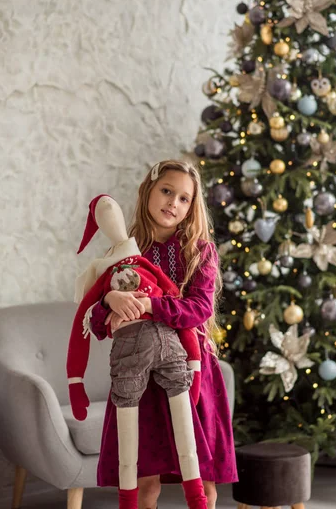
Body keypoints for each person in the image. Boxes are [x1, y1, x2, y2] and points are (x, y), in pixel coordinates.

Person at [89, 160, 238, 509]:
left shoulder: (200, 251)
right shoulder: (124, 251)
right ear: (148, 191)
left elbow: (198, 308)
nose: (173, 203)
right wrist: (111, 298)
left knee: (203, 481)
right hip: (139, 377)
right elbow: (94, 319)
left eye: (184, 198)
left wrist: (150, 305)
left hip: (191, 371)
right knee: (145, 484)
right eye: (167, 191)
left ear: (191, 207)